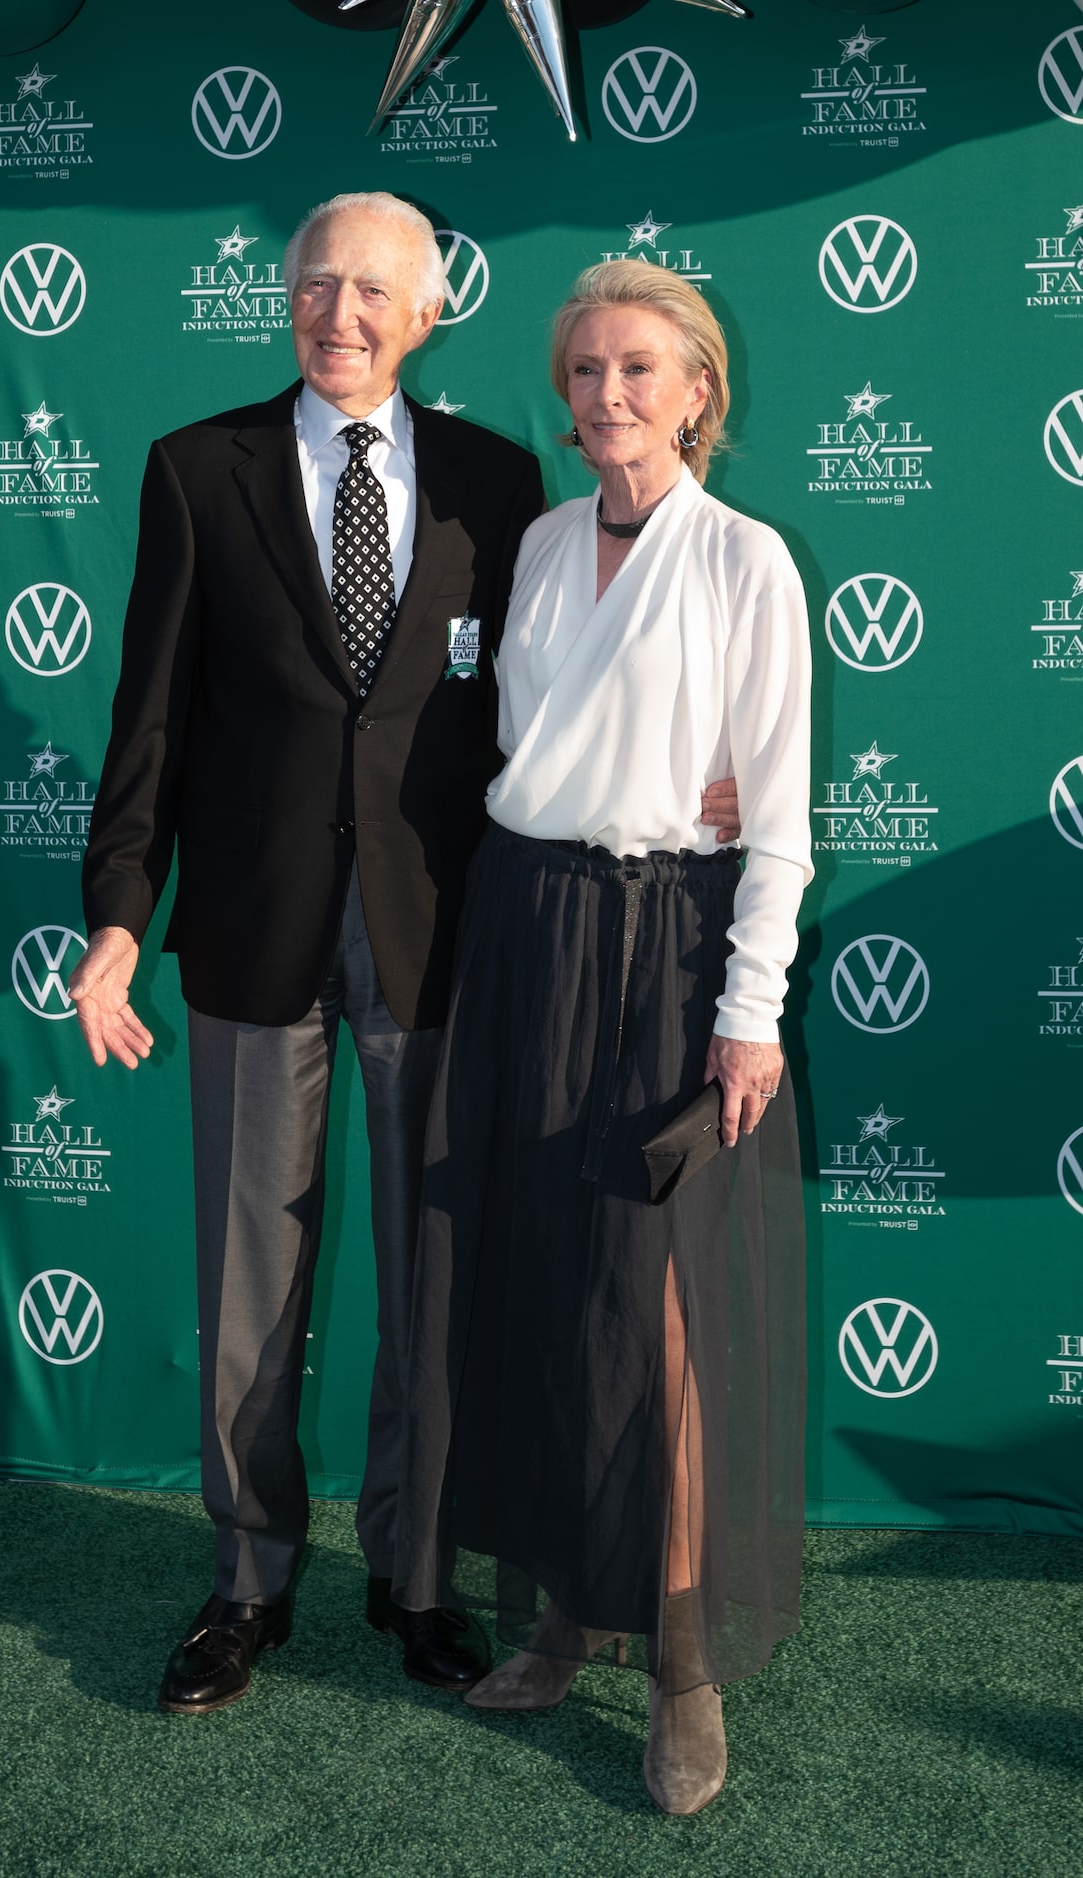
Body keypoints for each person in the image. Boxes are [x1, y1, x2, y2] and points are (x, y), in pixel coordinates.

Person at [70, 196, 741, 1718]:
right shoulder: (194, 471)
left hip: (445, 935)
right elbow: (148, 726)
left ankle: (416, 1571)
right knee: (252, 1282)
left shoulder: (506, 483)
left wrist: (715, 777)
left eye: (374, 287)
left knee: (435, 1276)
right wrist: (117, 912)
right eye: (315, 283)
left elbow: (578, 676)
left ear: (428, 312)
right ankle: (246, 1578)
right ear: (284, 302)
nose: (341, 311)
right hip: (249, 940)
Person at [391, 259, 811, 1815]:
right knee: (536, 1279)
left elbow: (775, 817)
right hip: (525, 930)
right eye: (583, 372)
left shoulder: (748, 560)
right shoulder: (540, 546)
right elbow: (521, 748)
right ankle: (562, 1610)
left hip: (667, 955)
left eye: (638, 369)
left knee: (666, 1318)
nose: (608, 396)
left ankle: (684, 1661)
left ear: (700, 389)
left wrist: (746, 1013)